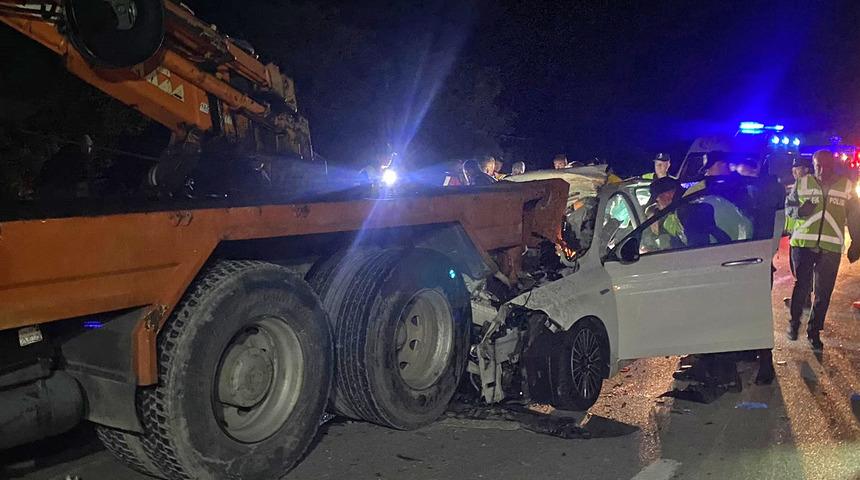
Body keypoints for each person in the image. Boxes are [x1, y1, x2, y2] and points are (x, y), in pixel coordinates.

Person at [786, 149, 860, 350]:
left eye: (826, 165)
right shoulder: (802, 183)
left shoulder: (846, 186)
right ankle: (794, 323)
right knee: (801, 287)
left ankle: (814, 331)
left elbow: (855, 215)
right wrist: (800, 211)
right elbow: (789, 208)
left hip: (830, 246)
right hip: (803, 244)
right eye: (818, 165)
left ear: (833, 165)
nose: (821, 170)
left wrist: (857, 241)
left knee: (823, 292)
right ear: (813, 164)